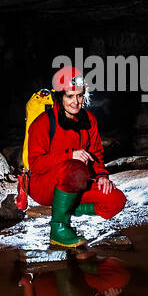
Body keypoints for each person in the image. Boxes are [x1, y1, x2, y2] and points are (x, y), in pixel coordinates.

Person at [25, 66, 127, 248]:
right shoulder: (43, 123)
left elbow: (96, 154)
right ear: (59, 96)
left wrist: (102, 176)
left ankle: (66, 208)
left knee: (115, 200)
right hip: (43, 184)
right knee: (75, 167)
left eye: (80, 95)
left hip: (76, 182)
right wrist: (69, 155)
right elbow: (36, 165)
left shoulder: (89, 120)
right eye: (70, 96)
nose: (76, 102)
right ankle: (58, 228)